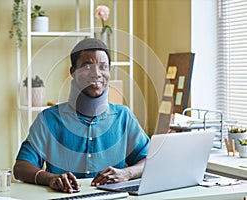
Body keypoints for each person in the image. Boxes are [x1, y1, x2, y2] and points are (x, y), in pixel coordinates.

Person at [13, 38, 150, 193]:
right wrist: (50, 178)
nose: (96, 74)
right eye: (87, 66)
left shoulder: (123, 117)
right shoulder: (49, 119)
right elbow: (21, 167)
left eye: (103, 67)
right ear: (73, 72)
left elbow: (150, 160)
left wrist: (127, 173)